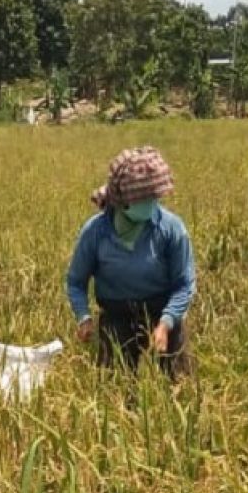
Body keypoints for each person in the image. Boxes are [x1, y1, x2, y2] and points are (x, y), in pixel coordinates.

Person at [66, 146, 197, 376]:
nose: (150, 203)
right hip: (117, 314)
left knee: (176, 381)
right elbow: (76, 282)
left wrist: (166, 323)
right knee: (114, 384)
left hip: (163, 310)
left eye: (154, 197)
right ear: (124, 200)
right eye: (144, 199)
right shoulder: (96, 232)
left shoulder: (171, 229)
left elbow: (184, 284)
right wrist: (84, 317)